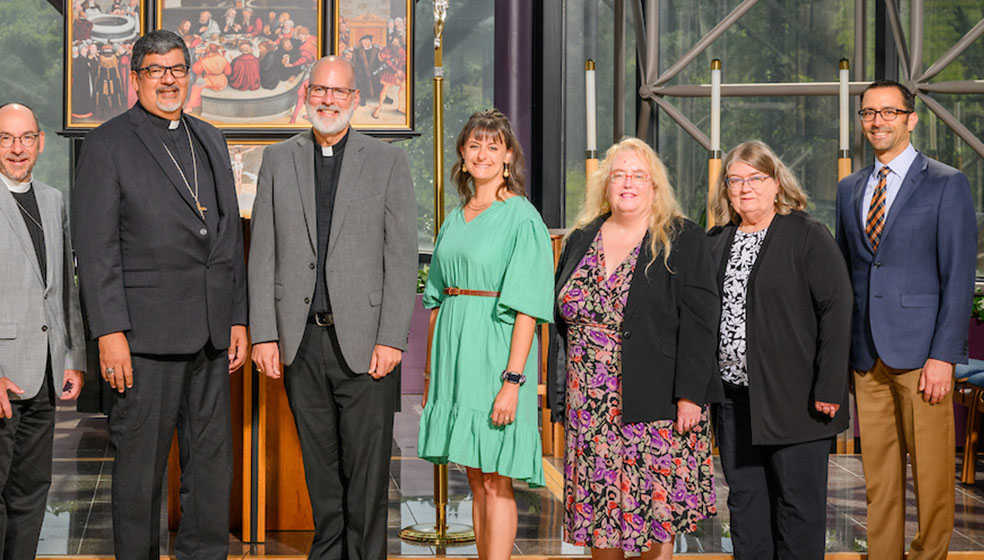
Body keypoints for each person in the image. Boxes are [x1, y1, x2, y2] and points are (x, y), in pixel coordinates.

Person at [70, 29, 248, 560]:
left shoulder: (209, 137)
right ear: (136, 78)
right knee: (140, 476)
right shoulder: (107, 143)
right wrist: (109, 333)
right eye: (156, 70)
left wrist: (237, 317)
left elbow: (225, 236)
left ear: (189, 76)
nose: (168, 79)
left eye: (177, 69)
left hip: (212, 336)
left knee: (212, 469)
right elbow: (96, 250)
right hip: (144, 339)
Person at [248, 56, 417, 560]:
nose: (328, 99)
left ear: (354, 101)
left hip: (366, 343)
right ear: (306, 95)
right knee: (319, 473)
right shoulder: (278, 160)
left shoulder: (386, 161)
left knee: (366, 475)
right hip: (301, 342)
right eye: (319, 90)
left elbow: (401, 255)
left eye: (339, 92)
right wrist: (263, 333)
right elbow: (263, 253)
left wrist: (391, 338)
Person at [549, 137, 720, 558]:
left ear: (654, 187)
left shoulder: (682, 238)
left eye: (638, 176)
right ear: (605, 185)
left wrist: (690, 395)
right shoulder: (580, 239)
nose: (628, 183)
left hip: (654, 404)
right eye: (619, 175)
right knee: (600, 522)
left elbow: (701, 324)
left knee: (652, 521)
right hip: (589, 411)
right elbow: (561, 323)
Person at [836, 79, 976, 560]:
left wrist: (944, 355)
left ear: (911, 119)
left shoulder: (946, 182)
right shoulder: (849, 187)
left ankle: (930, 556)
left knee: (933, 477)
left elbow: (958, 276)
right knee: (879, 477)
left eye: (889, 112)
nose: (878, 121)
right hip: (866, 355)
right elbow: (849, 273)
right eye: (869, 113)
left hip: (922, 358)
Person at [0, 103, 87, 560]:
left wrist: (72, 358)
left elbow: (63, 287)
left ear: (40, 142)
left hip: (43, 371)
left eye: (26, 137)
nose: (17, 148)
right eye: (6, 138)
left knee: (31, 492)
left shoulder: (52, 199)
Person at [706, 140, 852, 558]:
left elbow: (837, 311)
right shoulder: (717, 240)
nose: (745, 188)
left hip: (798, 401)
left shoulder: (806, 234)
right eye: (735, 180)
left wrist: (829, 388)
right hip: (736, 402)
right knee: (746, 504)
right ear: (726, 190)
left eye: (756, 178)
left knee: (797, 507)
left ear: (776, 184)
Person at [418, 109, 553, 560]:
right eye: (475, 145)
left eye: (493, 146)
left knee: (496, 477)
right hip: (456, 357)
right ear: (462, 153)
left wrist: (512, 382)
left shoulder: (521, 218)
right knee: (475, 476)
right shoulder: (456, 217)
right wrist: (430, 372)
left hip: (496, 353)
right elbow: (436, 297)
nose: (483, 153)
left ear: (508, 156)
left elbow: (529, 309)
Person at [351, 35, 381, 107]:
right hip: (362, 72)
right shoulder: (358, 51)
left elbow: (379, 62)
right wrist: (359, 71)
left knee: (378, 80)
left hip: (374, 71)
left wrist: (376, 70)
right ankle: (362, 98)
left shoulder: (376, 50)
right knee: (361, 81)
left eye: (366, 41)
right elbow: (355, 62)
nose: (364, 43)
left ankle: (381, 96)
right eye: (363, 42)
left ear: (370, 42)